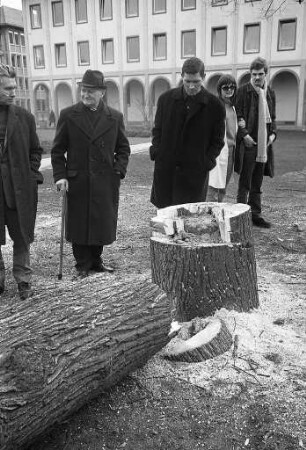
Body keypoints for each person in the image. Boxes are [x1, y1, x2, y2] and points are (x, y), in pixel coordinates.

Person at [51, 69, 130, 278]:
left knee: (101, 221)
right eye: (83, 90)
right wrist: (61, 176)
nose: (85, 94)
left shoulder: (115, 117)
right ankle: (82, 264)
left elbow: (123, 149)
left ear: (102, 92)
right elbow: (58, 150)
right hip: (78, 180)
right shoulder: (68, 115)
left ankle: (96, 261)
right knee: (79, 222)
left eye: (90, 91)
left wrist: (118, 171)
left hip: (105, 180)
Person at [149, 57, 225, 208]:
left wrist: (206, 162)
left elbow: (217, 141)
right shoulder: (165, 100)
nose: (191, 86)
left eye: (196, 82)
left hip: (194, 174)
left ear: (203, 77)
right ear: (181, 76)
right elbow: (157, 130)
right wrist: (157, 152)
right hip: (166, 171)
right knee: (164, 218)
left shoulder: (215, 106)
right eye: (187, 81)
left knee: (189, 220)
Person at [0, 64, 43, 300]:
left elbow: (36, 150)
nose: (14, 92)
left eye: (14, 88)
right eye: (8, 88)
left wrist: (30, 174)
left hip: (19, 190)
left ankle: (24, 281)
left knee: (22, 236)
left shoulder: (25, 118)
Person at [235, 57, 277, 228]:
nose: (257, 77)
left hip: (263, 144)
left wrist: (273, 133)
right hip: (248, 143)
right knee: (245, 181)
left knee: (257, 181)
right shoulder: (243, 91)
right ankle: (239, 215)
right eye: (254, 74)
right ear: (250, 74)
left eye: (260, 74)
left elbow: (272, 118)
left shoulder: (269, 93)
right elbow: (237, 115)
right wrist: (244, 134)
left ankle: (255, 214)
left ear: (266, 74)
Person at [207, 74, 244, 202]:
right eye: (225, 87)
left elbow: (234, 128)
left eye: (232, 87)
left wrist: (241, 124)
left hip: (231, 151)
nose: (229, 90)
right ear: (220, 89)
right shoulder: (215, 106)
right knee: (213, 185)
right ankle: (208, 214)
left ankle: (219, 210)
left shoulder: (233, 107)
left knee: (224, 185)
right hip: (218, 151)